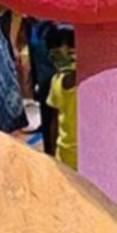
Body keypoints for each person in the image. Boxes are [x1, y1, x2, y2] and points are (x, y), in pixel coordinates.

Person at [42, 25, 78, 169]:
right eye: (57, 54)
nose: (65, 59)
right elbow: (54, 121)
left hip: (86, 156)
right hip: (63, 154)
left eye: (71, 51)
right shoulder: (56, 81)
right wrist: (51, 155)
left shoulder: (89, 84)